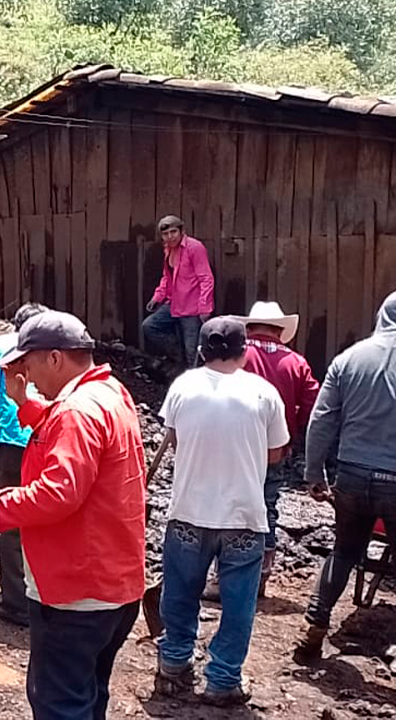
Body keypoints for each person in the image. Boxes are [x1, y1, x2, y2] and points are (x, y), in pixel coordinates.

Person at [0, 311, 146, 720]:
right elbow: (67, 430)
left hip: (76, 592)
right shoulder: (109, 393)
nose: (28, 373)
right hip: (113, 587)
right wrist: (26, 404)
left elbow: (59, 492)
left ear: (56, 359)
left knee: (59, 704)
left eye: (31, 364)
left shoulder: (76, 412)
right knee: (87, 695)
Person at [155, 318, 290, 706]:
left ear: (201, 351)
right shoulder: (264, 394)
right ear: (243, 351)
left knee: (179, 595)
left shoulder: (183, 386)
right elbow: (276, 453)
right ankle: (224, 679)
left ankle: (174, 664)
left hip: (188, 513)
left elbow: (176, 438)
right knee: (237, 604)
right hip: (244, 518)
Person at [294, 291, 396, 664]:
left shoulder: (348, 359)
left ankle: (315, 627)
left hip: (351, 476)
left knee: (344, 550)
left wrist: (314, 473)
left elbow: (322, 420)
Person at [204, 301, 319, 600]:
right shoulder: (296, 362)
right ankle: (259, 578)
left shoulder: (236, 357)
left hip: (233, 444)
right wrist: (292, 430)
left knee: (227, 505)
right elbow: (313, 403)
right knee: (266, 507)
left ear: (249, 327)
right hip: (276, 447)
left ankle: (222, 577)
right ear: (280, 330)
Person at [0, 302, 48, 626]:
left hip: (14, 442)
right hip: (49, 437)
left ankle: (17, 602)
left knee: (10, 518)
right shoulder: (54, 353)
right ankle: (45, 594)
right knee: (44, 514)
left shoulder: (4, 347)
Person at [142, 215, 215, 366]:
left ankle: (195, 384)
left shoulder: (194, 247)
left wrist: (204, 307)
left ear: (182, 230)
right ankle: (177, 356)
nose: (170, 236)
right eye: (165, 234)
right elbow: (167, 278)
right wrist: (157, 297)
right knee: (149, 326)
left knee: (193, 353)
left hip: (192, 309)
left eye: (173, 232)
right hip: (173, 304)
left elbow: (206, 278)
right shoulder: (168, 249)